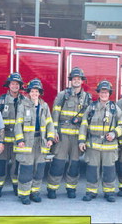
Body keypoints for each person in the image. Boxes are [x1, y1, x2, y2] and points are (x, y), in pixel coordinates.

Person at [47, 67, 92, 199]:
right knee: (58, 163)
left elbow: (89, 119)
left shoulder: (87, 97)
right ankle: (52, 188)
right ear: (71, 81)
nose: (76, 81)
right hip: (62, 136)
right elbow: (55, 114)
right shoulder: (63, 95)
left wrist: (85, 138)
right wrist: (54, 130)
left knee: (75, 164)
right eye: (74, 79)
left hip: (77, 136)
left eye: (79, 79)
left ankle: (71, 189)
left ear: (82, 81)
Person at [78, 80, 122, 202]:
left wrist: (114, 133)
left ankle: (109, 192)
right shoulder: (91, 107)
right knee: (92, 170)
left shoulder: (115, 108)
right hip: (93, 146)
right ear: (98, 93)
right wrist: (81, 141)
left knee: (109, 171)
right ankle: (91, 192)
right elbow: (84, 125)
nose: (104, 94)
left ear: (109, 94)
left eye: (106, 92)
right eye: (102, 92)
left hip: (109, 147)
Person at [14, 78, 55, 205]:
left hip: (41, 142)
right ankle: (24, 194)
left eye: (36, 91)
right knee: (26, 168)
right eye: (32, 91)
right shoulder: (23, 105)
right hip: (27, 142)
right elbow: (18, 124)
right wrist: (20, 139)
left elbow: (50, 123)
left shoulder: (44, 106)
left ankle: (35, 192)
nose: (34, 94)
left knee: (39, 169)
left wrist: (50, 138)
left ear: (39, 93)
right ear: (28, 92)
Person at [0, 72, 26, 198]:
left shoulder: (25, 101)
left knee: (17, 166)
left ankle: (17, 187)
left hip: (18, 141)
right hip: (3, 141)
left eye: (17, 84)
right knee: (0, 164)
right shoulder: (0, 101)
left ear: (20, 86)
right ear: (9, 85)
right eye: (13, 84)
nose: (15, 86)